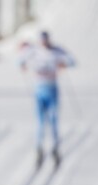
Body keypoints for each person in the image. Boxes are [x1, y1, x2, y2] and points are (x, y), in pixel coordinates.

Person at [19, 30, 75, 168]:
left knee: (54, 120)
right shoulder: (34, 50)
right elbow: (20, 60)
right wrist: (22, 65)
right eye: (42, 40)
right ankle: (39, 148)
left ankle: (55, 148)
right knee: (40, 122)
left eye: (45, 40)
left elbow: (72, 61)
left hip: (52, 89)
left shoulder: (56, 50)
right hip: (39, 90)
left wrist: (64, 63)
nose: (44, 43)